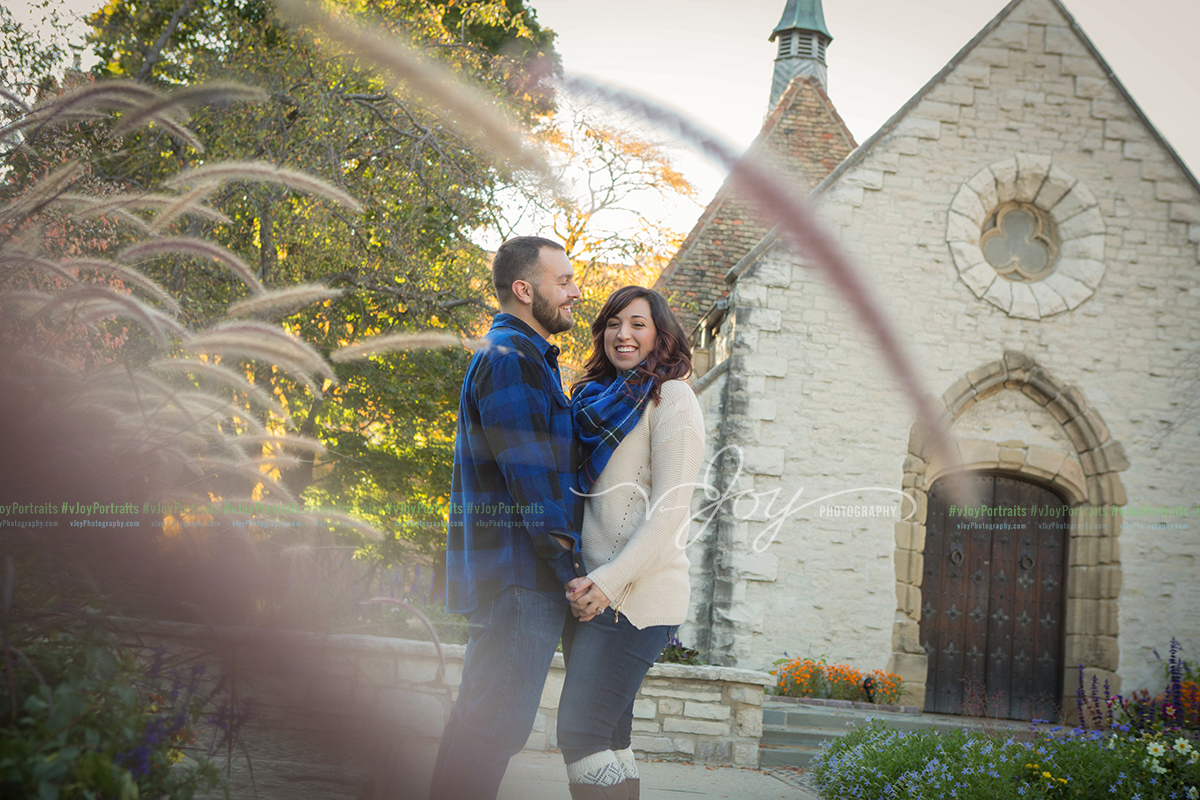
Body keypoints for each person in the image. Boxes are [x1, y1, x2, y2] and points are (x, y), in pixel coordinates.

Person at [428, 236, 587, 800]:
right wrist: (571, 572)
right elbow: (532, 483)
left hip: (513, 577)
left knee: (479, 724)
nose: (575, 291)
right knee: (494, 728)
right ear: (524, 290)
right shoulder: (512, 361)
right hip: (521, 577)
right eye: (562, 281)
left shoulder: (527, 360)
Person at [556, 286, 706, 800]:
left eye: (638, 324)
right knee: (610, 735)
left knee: (580, 732)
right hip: (593, 592)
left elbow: (670, 511)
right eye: (614, 323)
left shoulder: (673, 397)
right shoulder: (594, 399)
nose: (624, 334)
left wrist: (607, 581)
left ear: (660, 334)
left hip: (632, 597)